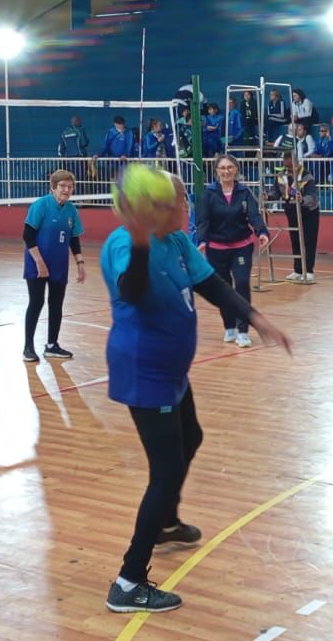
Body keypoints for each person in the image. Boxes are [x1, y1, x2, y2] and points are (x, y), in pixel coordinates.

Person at [102, 169, 293, 613]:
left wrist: (257, 319)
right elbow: (131, 290)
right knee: (165, 471)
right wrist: (140, 235)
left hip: (171, 371)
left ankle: (165, 519)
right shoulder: (126, 243)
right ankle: (129, 582)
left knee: (193, 438)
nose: (187, 209)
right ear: (157, 209)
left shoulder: (178, 242)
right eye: (180, 202)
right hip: (144, 371)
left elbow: (211, 285)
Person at [195, 155, 270, 348]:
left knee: (242, 283)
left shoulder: (244, 192)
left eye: (230, 167)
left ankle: (243, 331)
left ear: (236, 169)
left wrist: (262, 232)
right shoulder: (208, 193)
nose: (226, 171)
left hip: (241, 247)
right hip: (217, 249)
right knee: (224, 289)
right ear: (217, 171)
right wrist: (202, 241)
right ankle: (229, 326)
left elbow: (254, 215)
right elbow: (203, 221)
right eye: (222, 168)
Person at [23, 169, 85, 362]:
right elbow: (28, 235)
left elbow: (74, 238)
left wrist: (80, 263)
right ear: (53, 188)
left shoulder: (71, 210)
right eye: (62, 186)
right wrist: (39, 262)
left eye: (70, 187)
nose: (66, 190)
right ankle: (28, 347)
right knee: (37, 302)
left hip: (59, 264)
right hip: (37, 263)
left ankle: (52, 345)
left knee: (56, 304)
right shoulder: (41, 205)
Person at [271, 154, 320, 283]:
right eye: (284, 160)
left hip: (308, 211)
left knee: (309, 240)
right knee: (295, 239)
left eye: (287, 160)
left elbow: (313, 195)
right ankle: (298, 270)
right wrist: (268, 196)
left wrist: (302, 199)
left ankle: (308, 271)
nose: (285, 162)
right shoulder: (281, 176)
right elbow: (275, 193)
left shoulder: (306, 176)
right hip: (291, 211)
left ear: (295, 161)